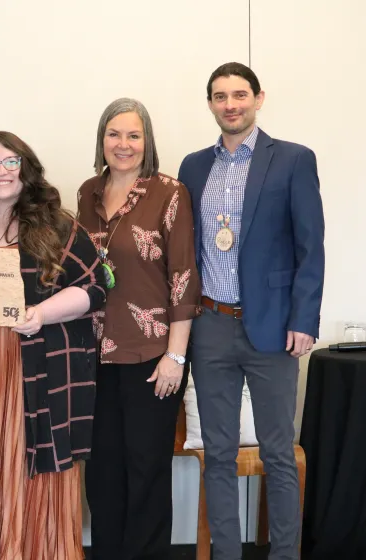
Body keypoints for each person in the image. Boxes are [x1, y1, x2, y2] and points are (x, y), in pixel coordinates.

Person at [0, 131, 108, 560]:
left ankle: (23, 548)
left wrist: (42, 314)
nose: (0, 172)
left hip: (27, 366)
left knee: (17, 459)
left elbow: (97, 286)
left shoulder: (57, 227)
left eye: (10, 162)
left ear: (26, 168)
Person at [178, 62, 324, 560]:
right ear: (211, 104)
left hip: (275, 330)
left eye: (240, 94)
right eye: (220, 96)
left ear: (259, 98)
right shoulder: (194, 167)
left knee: (278, 455)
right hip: (211, 326)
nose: (230, 104)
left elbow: (311, 248)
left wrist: (304, 320)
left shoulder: (292, 160)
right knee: (217, 456)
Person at [77, 98, 201, 560]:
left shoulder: (170, 193)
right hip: (94, 357)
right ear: (101, 140)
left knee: (146, 470)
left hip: (153, 358)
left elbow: (184, 278)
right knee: (103, 471)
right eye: (114, 134)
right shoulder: (87, 193)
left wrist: (176, 356)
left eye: (133, 135)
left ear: (146, 141)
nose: (123, 144)